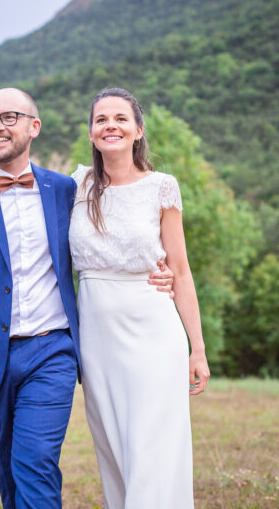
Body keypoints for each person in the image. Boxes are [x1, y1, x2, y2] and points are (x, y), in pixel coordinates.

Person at [0, 87, 174, 509]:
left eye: (9, 117)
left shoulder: (64, 189)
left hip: (52, 352)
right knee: (9, 472)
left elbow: (120, 222)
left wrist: (155, 269)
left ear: (34, 127)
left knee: (35, 462)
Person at [69, 87, 210, 508]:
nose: (110, 125)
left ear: (138, 130)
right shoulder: (74, 187)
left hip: (152, 329)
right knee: (114, 448)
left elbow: (180, 271)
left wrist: (197, 349)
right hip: (96, 337)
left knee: (152, 448)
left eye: (120, 118)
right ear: (92, 133)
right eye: (101, 119)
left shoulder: (162, 188)